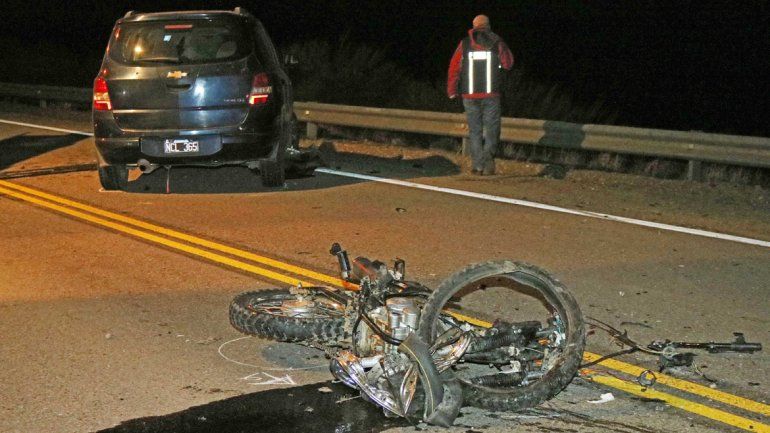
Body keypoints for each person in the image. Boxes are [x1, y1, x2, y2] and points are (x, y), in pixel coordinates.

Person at [447, 15, 514, 175]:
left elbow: (454, 68)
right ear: (488, 25)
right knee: (492, 129)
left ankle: (477, 166)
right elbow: (508, 63)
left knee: (475, 131)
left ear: (474, 26)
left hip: (469, 96)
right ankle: (488, 159)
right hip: (491, 95)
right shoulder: (497, 42)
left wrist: (452, 90)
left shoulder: (464, 44)